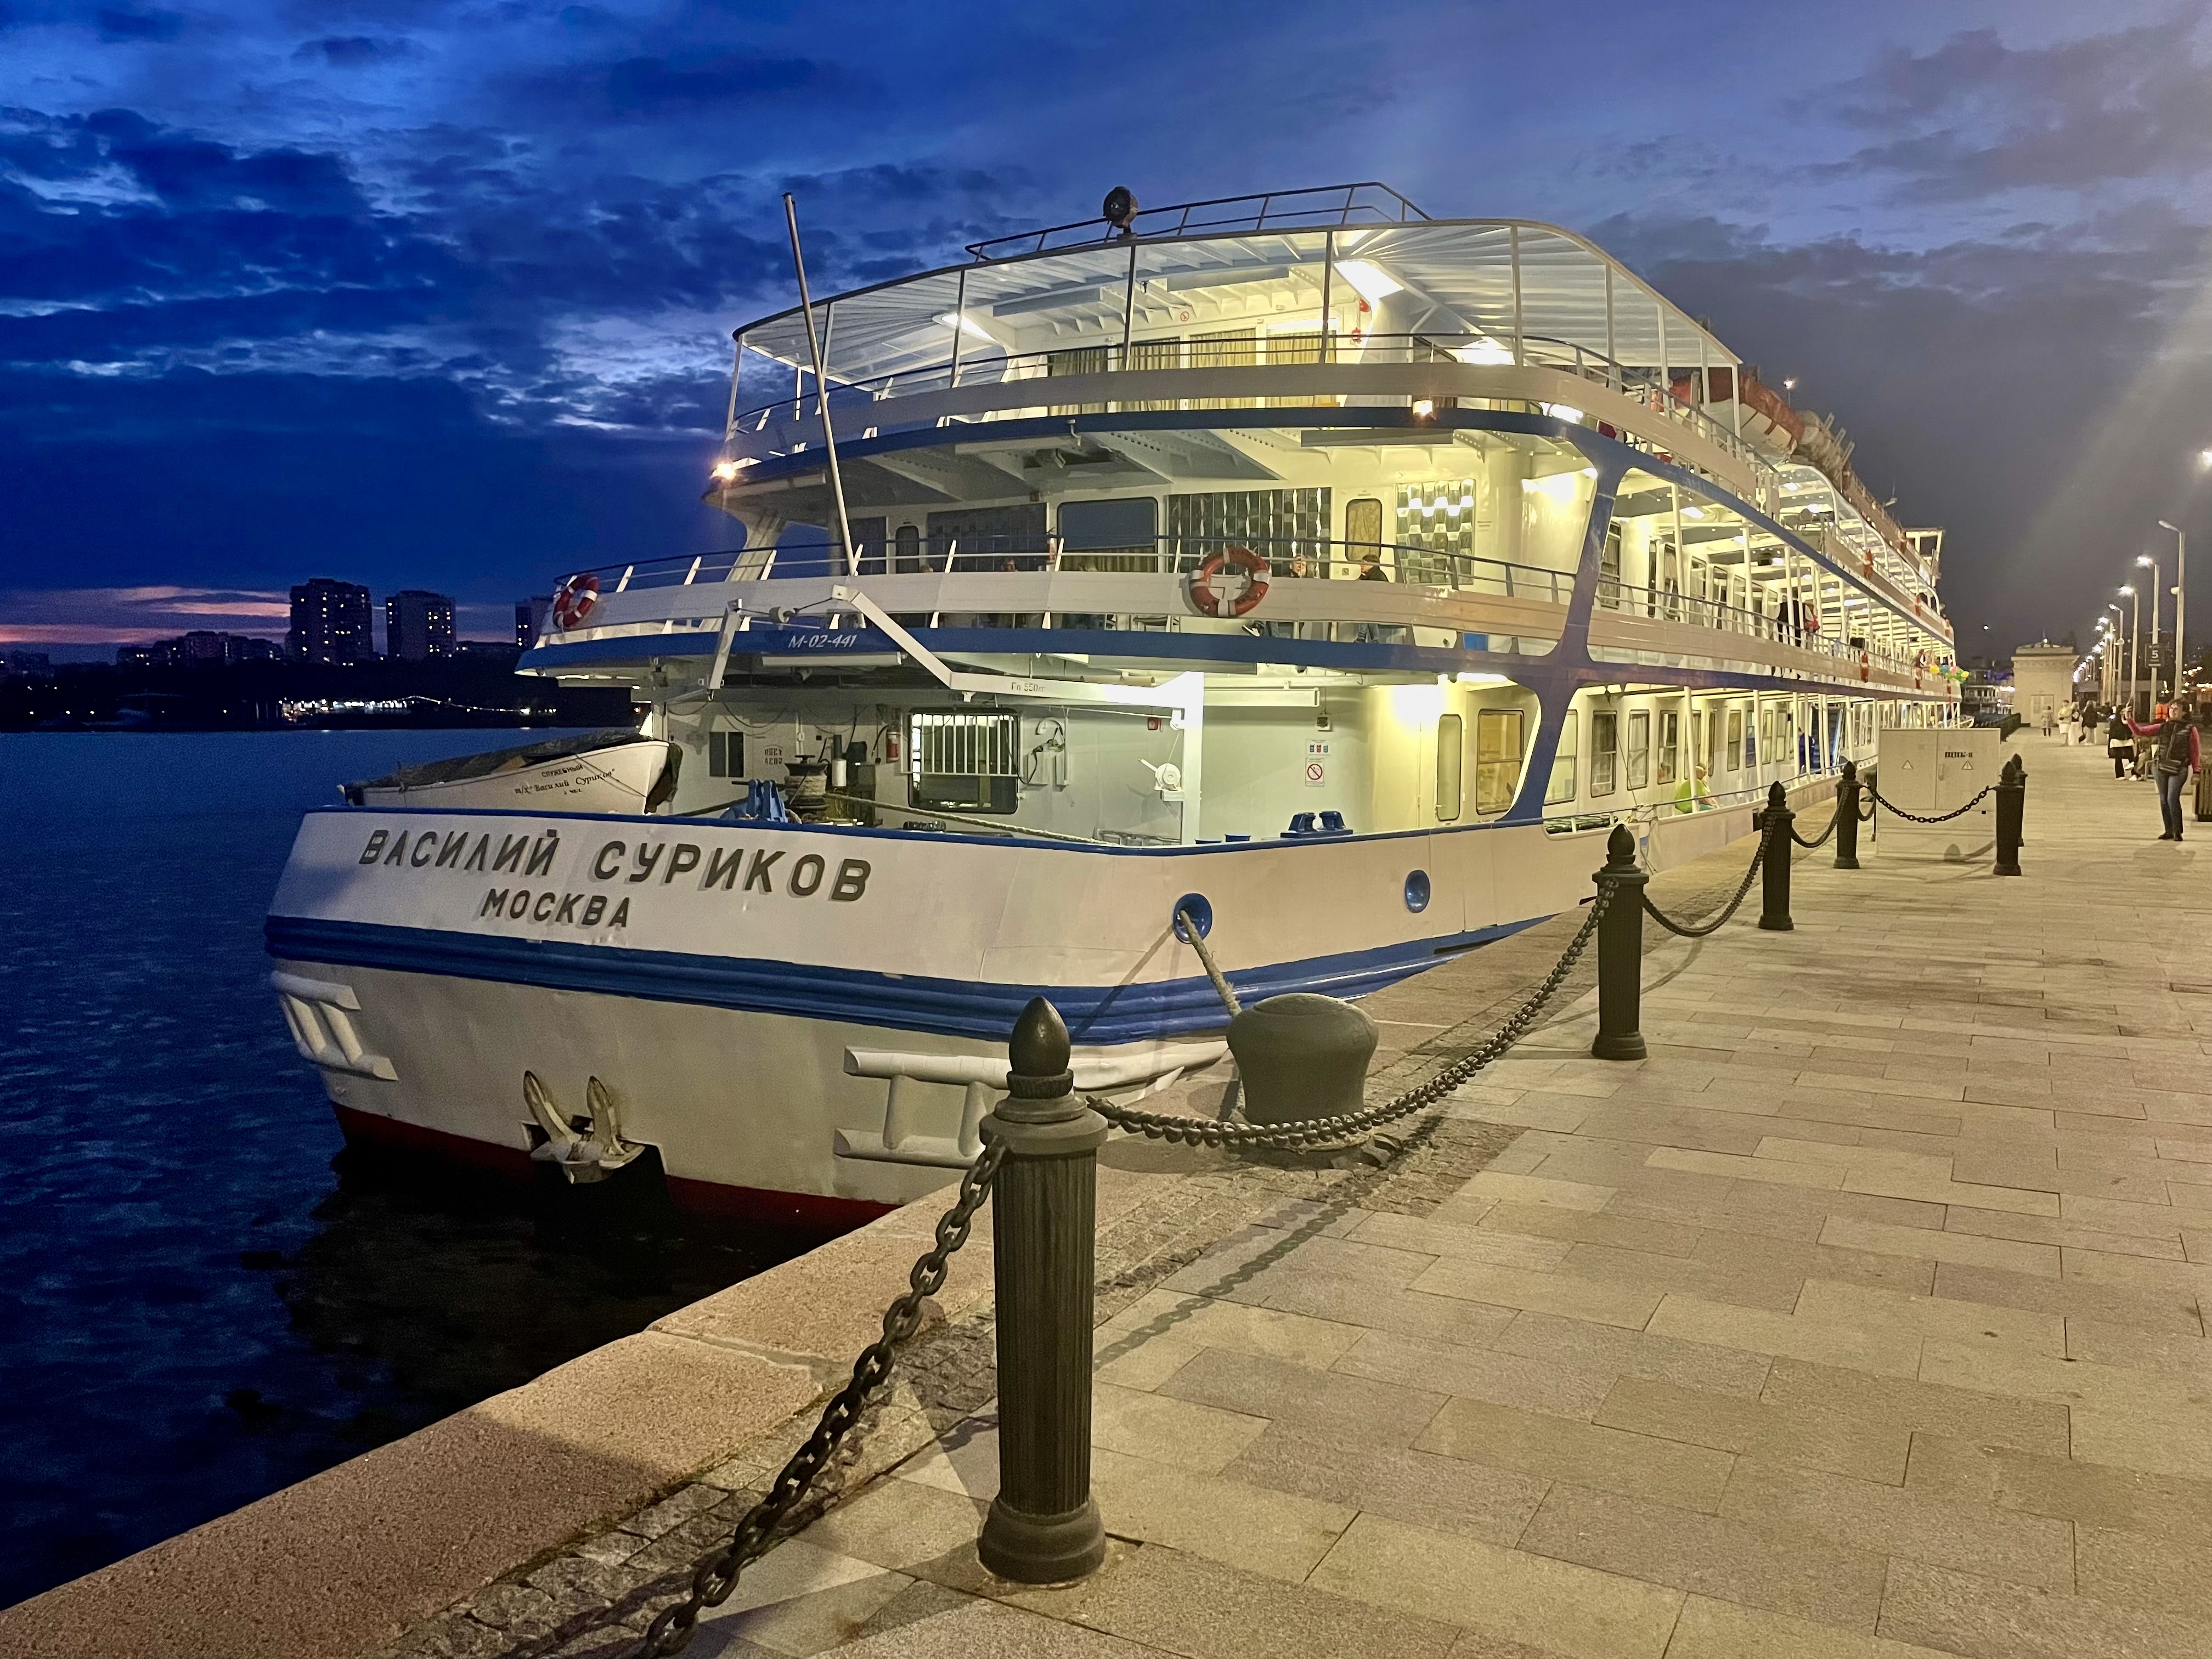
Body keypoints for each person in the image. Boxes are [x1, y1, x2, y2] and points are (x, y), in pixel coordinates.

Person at [2151, 695, 2202, 841]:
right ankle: (2169, 830)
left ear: (2184, 712)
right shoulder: (2163, 727)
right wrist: (2129, 720)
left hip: (2179, 768)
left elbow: (2195, 752)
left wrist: (2197, 771)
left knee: (2172, 798)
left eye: (2177, 709)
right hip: (2161, 766)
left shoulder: (2190, 729)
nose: (2173, 711)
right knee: (2164, 800)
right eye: (2171, 708)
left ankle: (2177, 831)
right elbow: (2141, 732)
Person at [2108, 708, 2136, 780]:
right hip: (2117, 741)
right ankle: (2120, 775)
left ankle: (2135, 774)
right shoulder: (2115, 720)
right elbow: (2113, 731)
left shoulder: (2129, 720)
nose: (2124, 713)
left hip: (2127, 740)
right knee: (2118, 758)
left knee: (2131, 757)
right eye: (2122, 711)